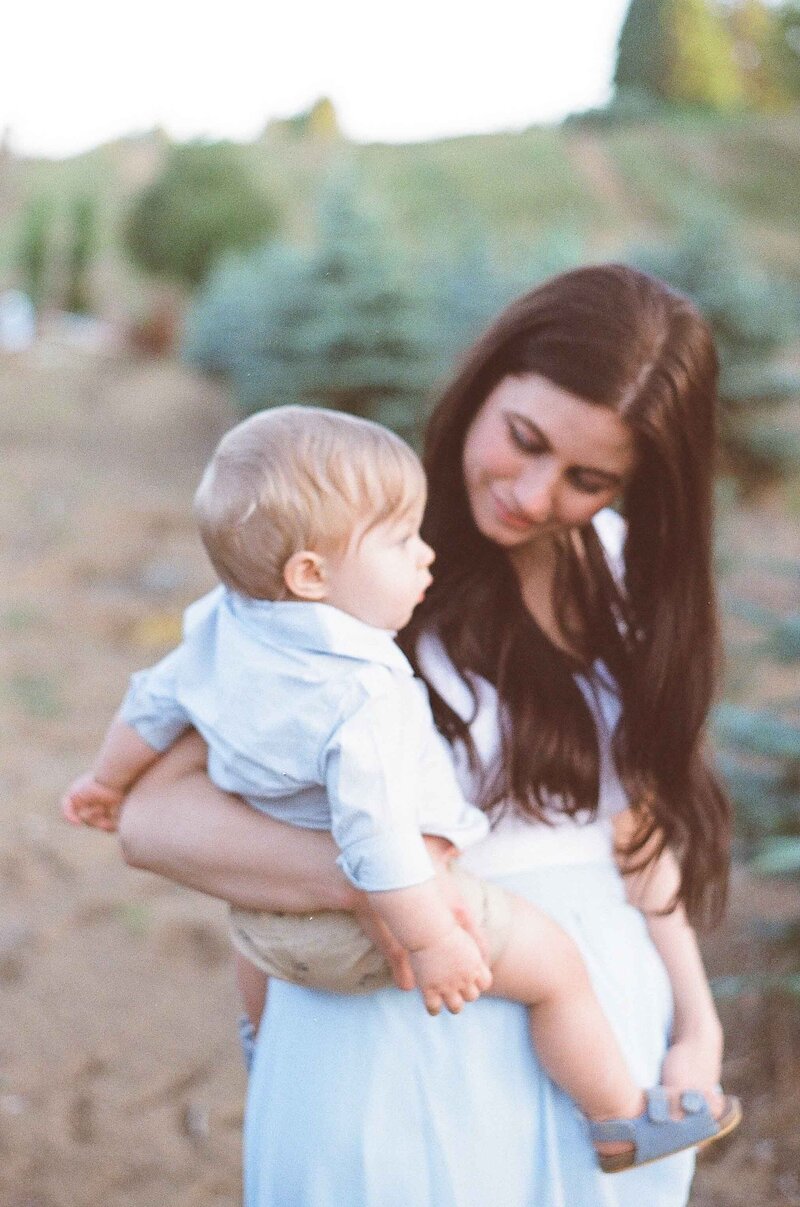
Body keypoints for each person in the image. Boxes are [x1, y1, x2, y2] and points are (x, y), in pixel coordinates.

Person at [115, 264, 737, 1206]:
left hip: (603, 1041)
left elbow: (635, 826)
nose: (532, 493)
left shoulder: (623, 577)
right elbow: (150, 818)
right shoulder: (348, 557)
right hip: (394, 1033)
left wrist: (698, 1019)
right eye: (523, 439)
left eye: (589, 478)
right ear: (482, 382)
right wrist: (396, 886)